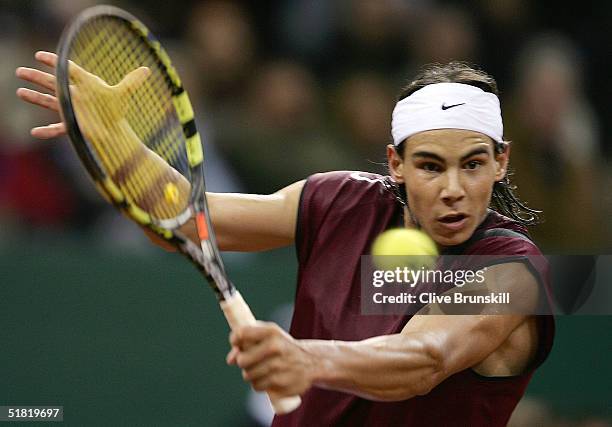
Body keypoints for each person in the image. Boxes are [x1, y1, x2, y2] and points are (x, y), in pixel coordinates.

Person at [17, 54, 554, 426]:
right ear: (396, 165)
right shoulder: (337, 202)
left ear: (501, 161)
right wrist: (112, 136)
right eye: (431, 167)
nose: (454, 190)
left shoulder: (512, 270)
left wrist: (309, 359)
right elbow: (181, 221)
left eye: (474, 164)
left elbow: (424, 358)